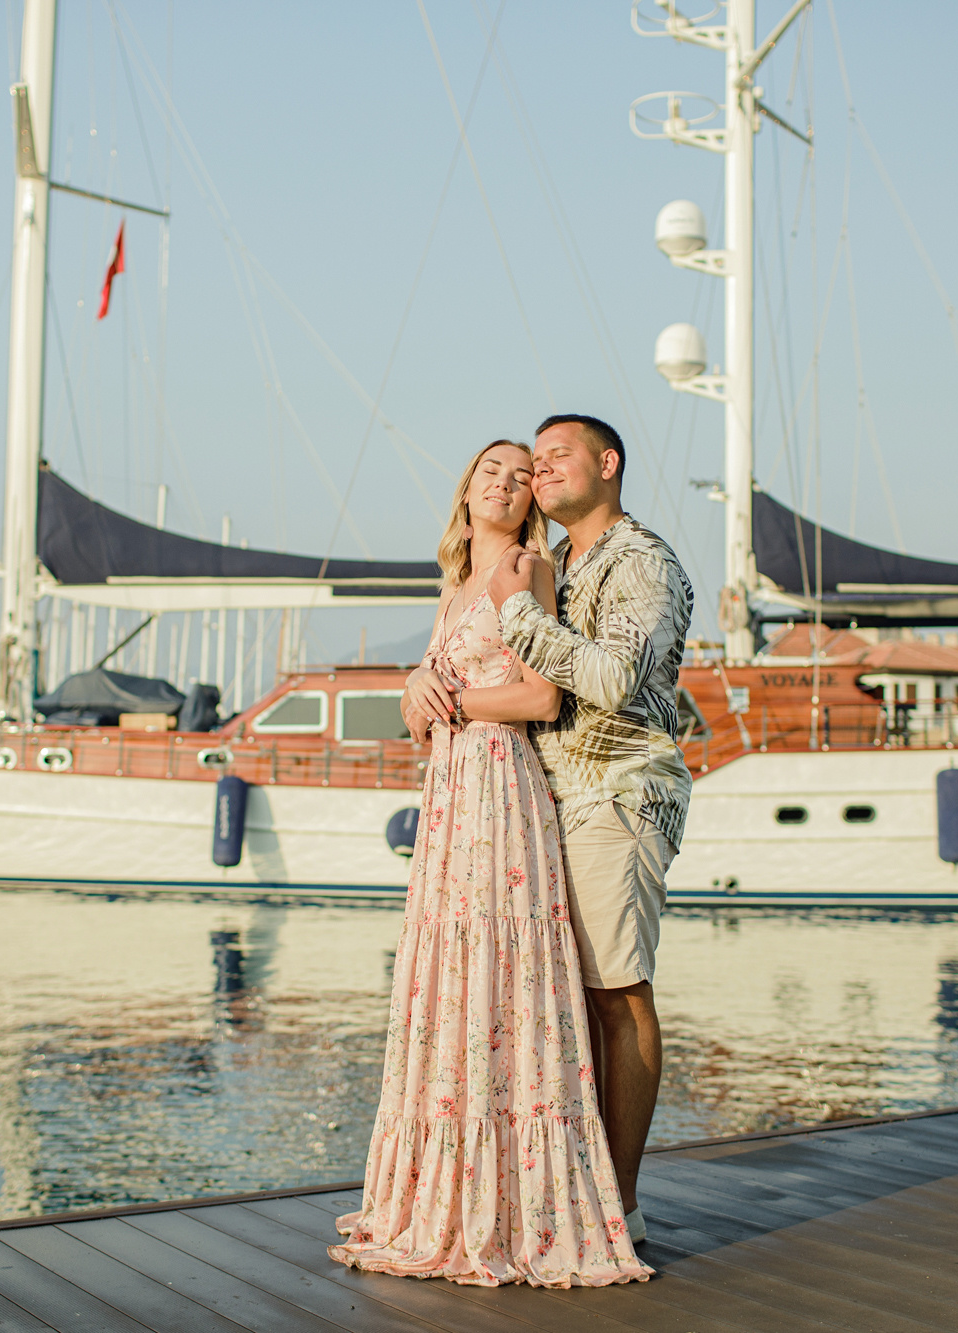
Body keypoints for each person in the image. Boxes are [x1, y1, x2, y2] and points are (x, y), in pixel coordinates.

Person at [328, 439, 650, 1288]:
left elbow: (543, 696)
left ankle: (518, 1203)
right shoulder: (455, 583)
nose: (507, 483)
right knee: (453, 978)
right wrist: (413, 693)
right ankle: (447, 1188)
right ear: (466, 487)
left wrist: (458, 701)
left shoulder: (527, 565)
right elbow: (430, 702)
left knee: (500, 977)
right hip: (451, 795)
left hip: (501, 785)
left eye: (520, 476)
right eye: (492, 471)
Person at [485, 413, 694, 1247]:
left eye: (556, 455)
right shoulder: (563, 563)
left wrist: (516, 615)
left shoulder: (641, 561)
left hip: (616, 795)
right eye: (532, 462)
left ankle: (622, 1206)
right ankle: (582, 1190)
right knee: (572, 998)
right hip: (556, 801)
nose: (539, 471)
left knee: (618, 993)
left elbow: (609, 676)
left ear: (608, 464)